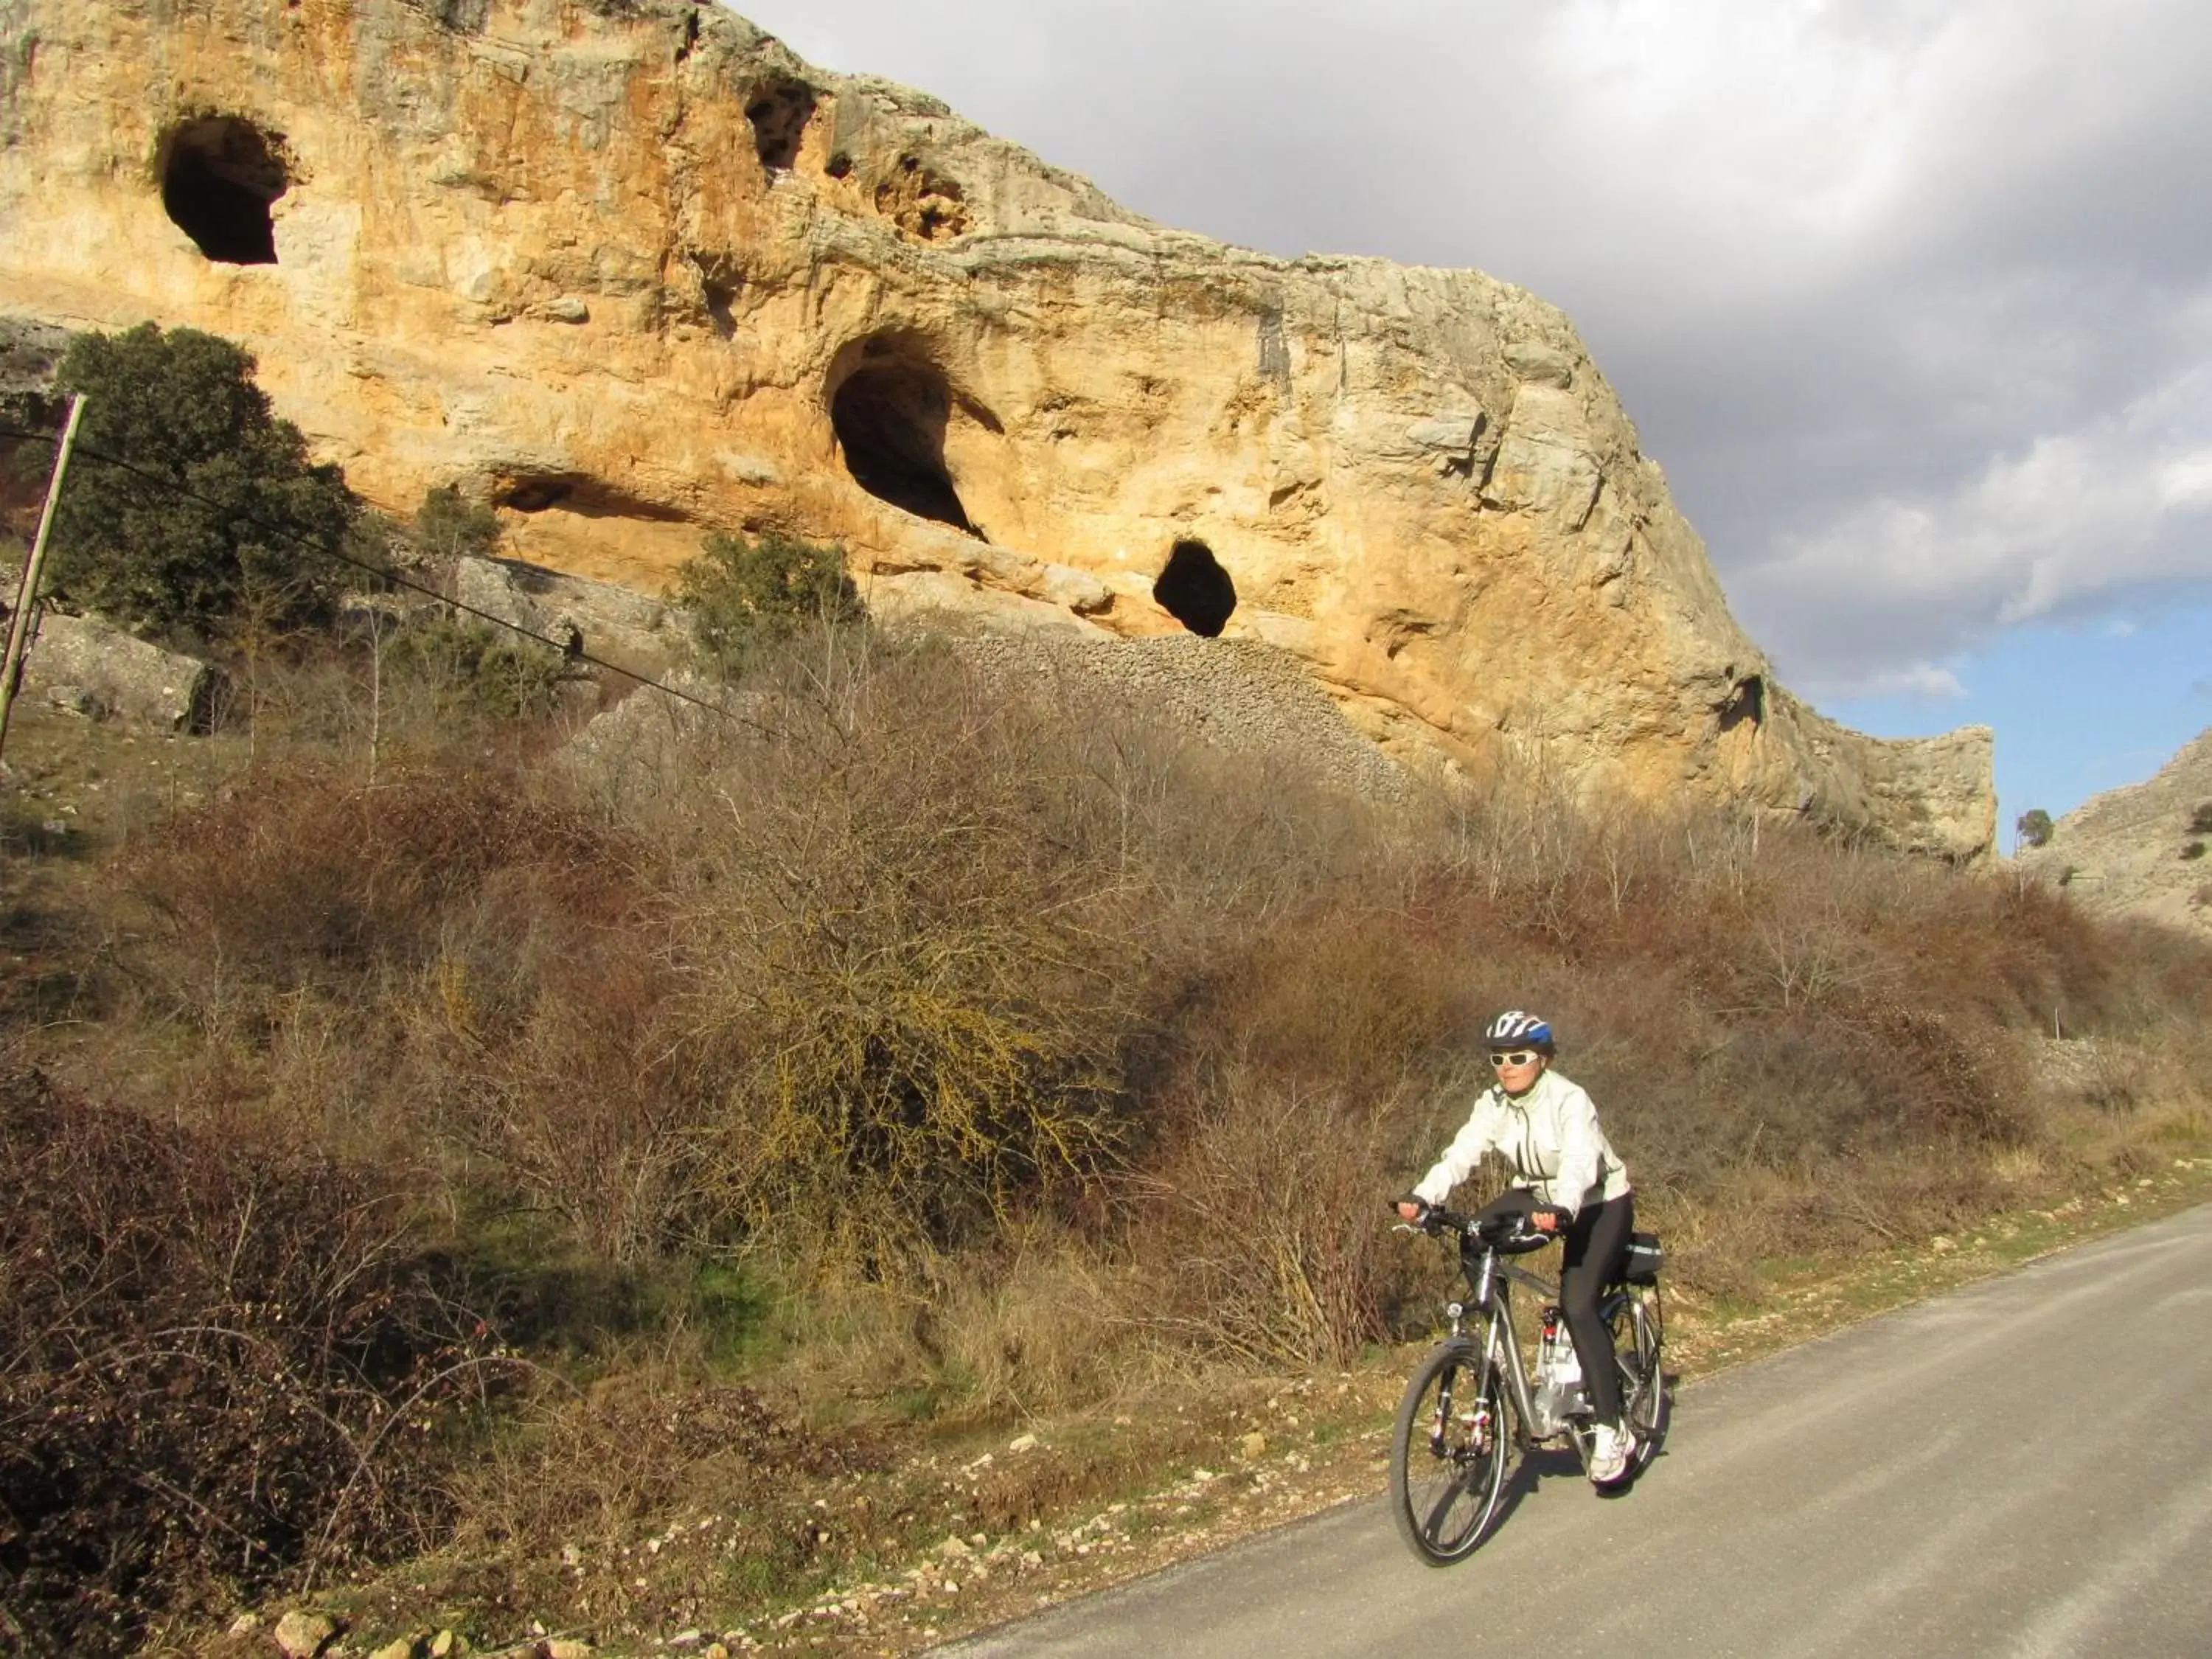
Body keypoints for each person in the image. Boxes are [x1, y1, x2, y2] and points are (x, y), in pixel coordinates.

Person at [1396, 1009, 1637, 1484]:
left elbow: (1579, 1162)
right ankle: (1498, 1342)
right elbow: (1463, 1152)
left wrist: (1565, 1207)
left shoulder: (1570, 1100)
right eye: (1498, 1058)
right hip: (1536, 1193)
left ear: (1542, 1059)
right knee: (1471, 1234)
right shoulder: (1494, 1103)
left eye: (1518, 1057)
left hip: (1596, 1200)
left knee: (1577, 1304)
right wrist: (1424, 1195)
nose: (1506, 1066)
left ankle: (1613, 1429)